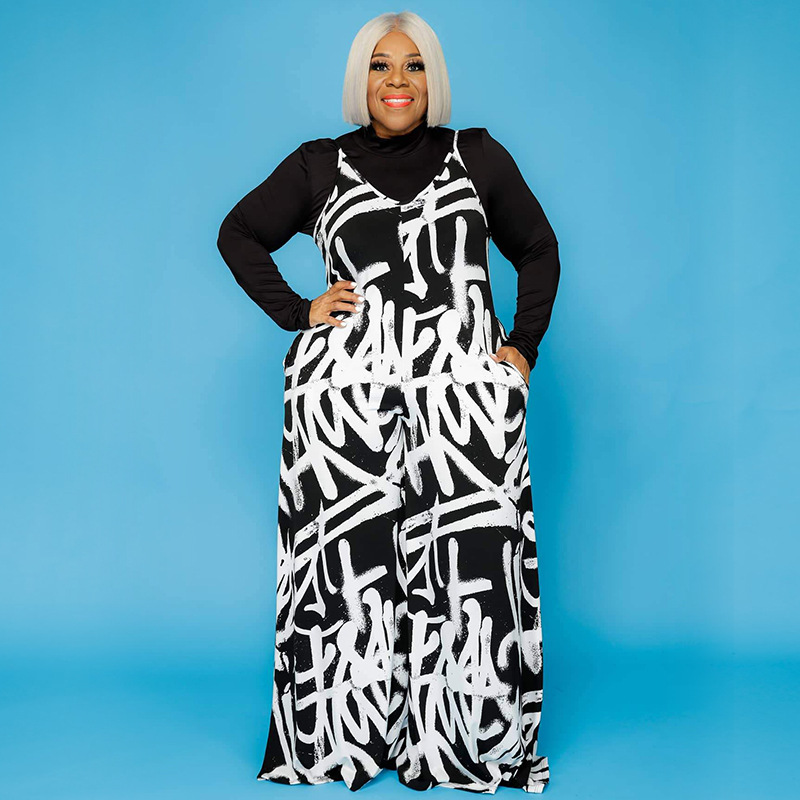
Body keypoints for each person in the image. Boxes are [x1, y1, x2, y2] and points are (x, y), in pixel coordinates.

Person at [216, 10, 560, 794]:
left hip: (462, 405)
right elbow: (238, 232)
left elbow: (538, 249)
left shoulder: (477, 156)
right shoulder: (318, 165)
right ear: (360, 79)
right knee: (350, 574)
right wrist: (298, 310)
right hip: (347, 404)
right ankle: (345, 739)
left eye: (412, 66)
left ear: (432, 79)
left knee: (469, 568)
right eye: (380, 65)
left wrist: (521, 349)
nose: (396, 81)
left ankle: (462, 742)